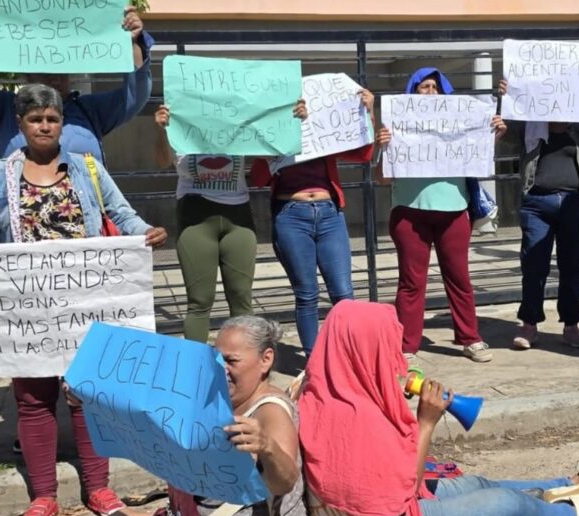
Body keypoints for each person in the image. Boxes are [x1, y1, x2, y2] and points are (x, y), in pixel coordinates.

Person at [0, 316, 310, 516]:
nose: (221, 369)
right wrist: (92, 401)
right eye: (216, 358)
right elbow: (147, 415)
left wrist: (267, 447)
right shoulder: (215, 394)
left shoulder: (271, 412)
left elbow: (285, 482)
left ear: (265, 360)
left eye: (232, 361)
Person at [0, 84, 168, 516]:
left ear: (62, 123)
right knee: (33, 401)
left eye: (51, 119)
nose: (44, 126)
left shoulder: (88, 170)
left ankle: (98, 488)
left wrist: (145, 232)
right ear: (20, 125)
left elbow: (121, 212)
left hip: (84, 303)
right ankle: (43, 498)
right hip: (27, 311)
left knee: (88, 394)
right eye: (35, 119)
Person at [297, 299, 579, 516]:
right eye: (385, 348)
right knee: (502, 506)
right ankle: (572, 511)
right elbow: (402, 490)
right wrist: (426, 423)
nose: (396, 359)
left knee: (477, 484)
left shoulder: (325, 385)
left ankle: (568, 483)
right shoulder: (349, 422)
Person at [375, 68, 506, 362]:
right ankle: (407, 344)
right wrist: (381, 146)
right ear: (413, 93)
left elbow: (477, 160)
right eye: (423, 87)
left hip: (453, 212)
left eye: (435, 86)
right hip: (410, 214)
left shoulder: (459, 125)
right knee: (411, 282)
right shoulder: (397, 128)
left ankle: (470, 338)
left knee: (459, 278)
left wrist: (491, 135)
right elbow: (382, 179)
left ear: (444, 93)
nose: (430, 91)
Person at [154, 101, 307, 343]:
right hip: (196, 217)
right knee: (199, 301)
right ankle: (197, 371)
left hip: (238, 218)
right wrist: (162, 129)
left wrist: (293, 120)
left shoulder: (237, 125)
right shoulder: (181, 122)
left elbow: (274, 151)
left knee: (241, 298)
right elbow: (162, 161)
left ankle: (244, 366)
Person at [249, 89, 376, 357]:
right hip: (291, 216)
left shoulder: (323, 129)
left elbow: (363, 154)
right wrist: (272, 138)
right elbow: (258, 178)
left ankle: (347, 358)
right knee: (306, 294)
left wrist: (368, 113)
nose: (300, 108)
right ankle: (314, 361)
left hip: (330, 214)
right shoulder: (272, 135)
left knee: (343, 294)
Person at [498, 79, 579, 351]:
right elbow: (503, 135)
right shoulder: (529, 122)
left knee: (572, 265)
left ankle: (571, 326)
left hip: (575, 202)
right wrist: (507, 99)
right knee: (533, 265)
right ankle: (529, 325)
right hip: (536, 203)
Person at [0, 5, 153, 162]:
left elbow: (135, 96)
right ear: (27, 75)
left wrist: (133, 43)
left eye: (62, 70)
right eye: (44, 71)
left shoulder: (90, 110)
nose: (54, 78)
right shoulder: (5, 109)